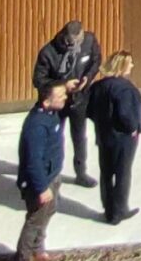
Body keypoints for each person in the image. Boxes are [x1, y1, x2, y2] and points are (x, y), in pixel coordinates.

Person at [32, 17, 102, 187]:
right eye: (69, 43)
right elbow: (38, 80)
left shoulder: (89, 41)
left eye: (77, 42)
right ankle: (50, 173)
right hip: (57, 103)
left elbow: (96, 60)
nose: (73, 46)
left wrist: (87, 77)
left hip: (79, 100)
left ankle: (81, 172)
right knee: (54, 138)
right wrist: (63, 85)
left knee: (79, 137)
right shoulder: (48, 52)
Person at [13, 79, 68, 261]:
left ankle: (38, 250)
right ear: (46, 101)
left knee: (48, 212)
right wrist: (41, 187)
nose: (65, 98)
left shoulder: (51, 113)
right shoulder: (36, 126)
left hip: (51, 175)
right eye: (60, 96)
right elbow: (32, 160)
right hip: (40, 181)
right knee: (35, 219)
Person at [88, 51, 141, 224]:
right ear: (122, 66)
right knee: (122, 173)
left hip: (104, 136)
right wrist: (133, 128)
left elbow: (89, 110)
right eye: (130, 63)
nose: (132, 66)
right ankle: (120, 210)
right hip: (123, 139)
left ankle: (109, 209)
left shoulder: (97, 87)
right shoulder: (124, 88)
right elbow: (125, 114)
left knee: (106, 173)